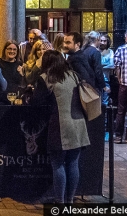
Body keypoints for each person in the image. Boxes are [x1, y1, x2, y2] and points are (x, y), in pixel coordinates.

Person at [31, 51, 90, 205]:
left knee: (58, 164)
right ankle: (69, 200)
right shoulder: (74, 75)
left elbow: (36, 101)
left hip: (60, 126)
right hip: (79, 124)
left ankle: (60, 201)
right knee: (73, 163)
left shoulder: (46, 78)